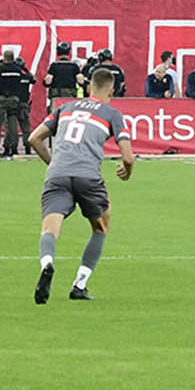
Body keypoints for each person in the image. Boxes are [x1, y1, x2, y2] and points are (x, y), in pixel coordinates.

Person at [28, 63, 136, 303]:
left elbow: (34, 139)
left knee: (49, 228)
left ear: (88, 87)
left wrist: (54, 163)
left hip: (58, 174)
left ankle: (47, 264)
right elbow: (128, 156)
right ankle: (79, 284)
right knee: (100, 226)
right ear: (112, 91)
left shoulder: (65, 107)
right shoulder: (112, 114)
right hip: (88, 176)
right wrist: (127, 170)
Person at [0, 46, 34, 158]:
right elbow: (30, 78)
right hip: (14, 100)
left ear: (4, 58)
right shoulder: (17, 70)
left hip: (1, 99)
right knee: (12, 125)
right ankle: (14, 147)